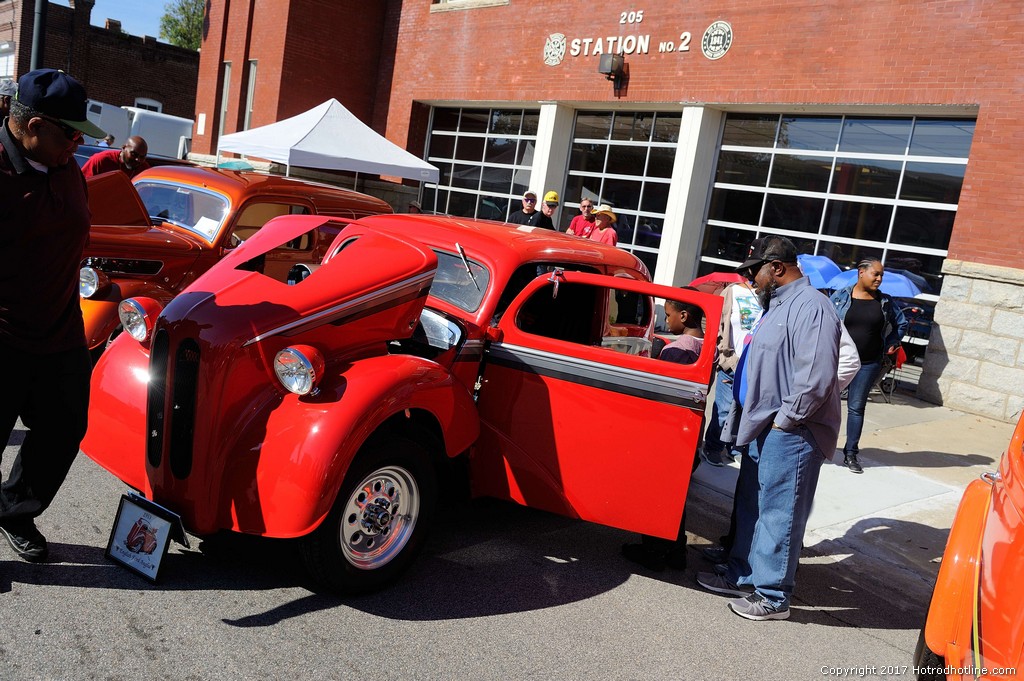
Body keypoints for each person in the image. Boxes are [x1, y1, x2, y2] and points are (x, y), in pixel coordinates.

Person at [696, 235, 842, 621]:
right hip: (764, 426)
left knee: (779, 512)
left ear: (776, 267)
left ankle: (772, 596)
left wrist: (785, 421)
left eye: (753, 272)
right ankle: (741, 573)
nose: (750, 280)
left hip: (791, 431)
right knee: (753, 505)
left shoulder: (813, 307)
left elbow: (816, 376)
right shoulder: (777, 303)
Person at [0, 68, 106, 563]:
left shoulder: (65, 167)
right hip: (2, 337)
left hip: (60, 331)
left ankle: (15, 511)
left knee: (64, 427)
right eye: (71, 133)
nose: (78, 144)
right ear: (35, 125)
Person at [621, 296, 705, 571]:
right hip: (689, 434)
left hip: (669, 433)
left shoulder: (677, 351)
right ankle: (675, 550)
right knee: (675, 496)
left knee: (657, 493)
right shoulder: (705, 346)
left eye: (668, 316)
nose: (665, 321)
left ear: (683, 317)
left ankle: (654, 551)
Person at [829, 258, 908, 474]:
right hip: (838, 363)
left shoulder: (885, 302)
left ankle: (850, 453)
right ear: (861, 273)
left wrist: (892, 342)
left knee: (856, 408)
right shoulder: (840, 297)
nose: (880, 279)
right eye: (876, 274)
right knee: (823, 404)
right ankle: (819, 447)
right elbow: (826, 324)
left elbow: (901, 324)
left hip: (868, 363)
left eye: (881, 275)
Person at [701, 281, 763, 468]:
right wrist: (724, 356)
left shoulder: (768, 294)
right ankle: (712, 446)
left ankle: (734, 447)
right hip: (731, 361)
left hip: (753, 364)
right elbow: (717, 326)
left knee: (746, 410)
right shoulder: (731, 292)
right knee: (724, 410)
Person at [81, 134, 150, 179]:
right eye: (133, 154)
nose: (138, 159)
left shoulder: (144, 170)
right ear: (123, 148)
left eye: (142, 157)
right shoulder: (102, 160)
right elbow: (82, 185)